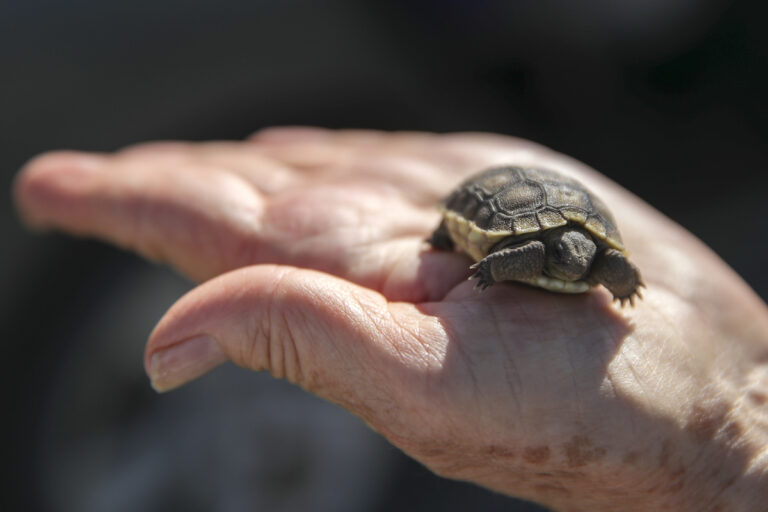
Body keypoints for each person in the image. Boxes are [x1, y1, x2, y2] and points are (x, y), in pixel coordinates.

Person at [14, 127, 768, 511]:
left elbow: (607, 265)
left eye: (587, 261)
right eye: (568, 259)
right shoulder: (520, 249)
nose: (578, 267)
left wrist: (731, 442)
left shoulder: (594, 258)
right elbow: (503, 253)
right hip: (497, 202)